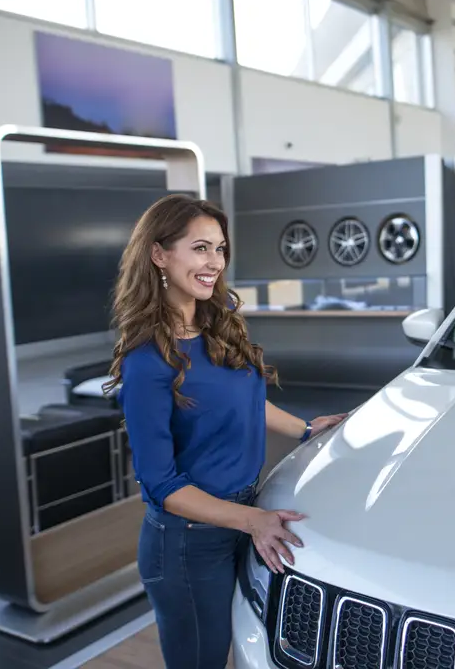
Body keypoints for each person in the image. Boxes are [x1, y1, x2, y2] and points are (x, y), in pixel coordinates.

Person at [105, 194, 347, 668]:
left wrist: (305, 431)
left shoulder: (216, 327)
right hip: (187, 545)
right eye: (199, 248)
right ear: (159, 254)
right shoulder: (146, 360)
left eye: (219, 248)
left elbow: (246, 402)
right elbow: (161, 484)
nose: (214, 261)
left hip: (238, 520)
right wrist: (253, 522)